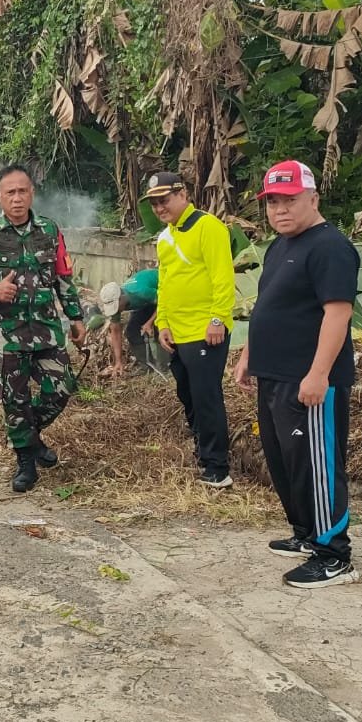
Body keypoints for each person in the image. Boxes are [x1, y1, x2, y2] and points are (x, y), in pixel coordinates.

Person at [233, 160, 360, 589]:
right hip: (275, 375)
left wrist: (319, 374)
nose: (279, 210)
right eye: (272, 201)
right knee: (287, 463)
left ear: (313, 198)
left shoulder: (330, 247)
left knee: (316, 465)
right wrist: (249, 354)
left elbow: (338, 313)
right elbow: (267, 305)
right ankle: (306, 534)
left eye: (288, 200)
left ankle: (334, 556)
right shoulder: (279, 247)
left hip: (309, 381)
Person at [0, 163, 85, 494]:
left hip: (45, 329)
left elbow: (62, 276)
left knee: (61, 388)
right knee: (15, 401)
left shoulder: (49, 229)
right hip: (5, 333)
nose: (17, 198)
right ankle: (26, 464)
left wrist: (75, 318)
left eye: (23, 191)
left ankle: (30, 437)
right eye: (10, 192)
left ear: (32, 193)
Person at [146, 171, 236, 489]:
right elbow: (165, 284)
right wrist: (163, 323)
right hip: (177, 332)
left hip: (204, 329)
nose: (160, 208)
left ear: (183, 194)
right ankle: (203, 449)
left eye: (165, 200)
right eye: (155, 203)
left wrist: (217, 319)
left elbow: (223, 277)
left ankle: (217, 466)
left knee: (206, 396)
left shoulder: (208, 227)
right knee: (187, 393)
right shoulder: (166, 237)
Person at [99, 267, 158, 377]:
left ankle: (166, 365)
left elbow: (165, 302)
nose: (115, 310)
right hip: (146, 303)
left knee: (160, 328)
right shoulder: (116, 301)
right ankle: (148, 368)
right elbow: (115, 332)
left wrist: (149, 322)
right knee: (132, 332)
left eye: (116, 306)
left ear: (122, 297)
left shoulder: (140, 292)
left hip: (163, 295)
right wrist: (118, 362)